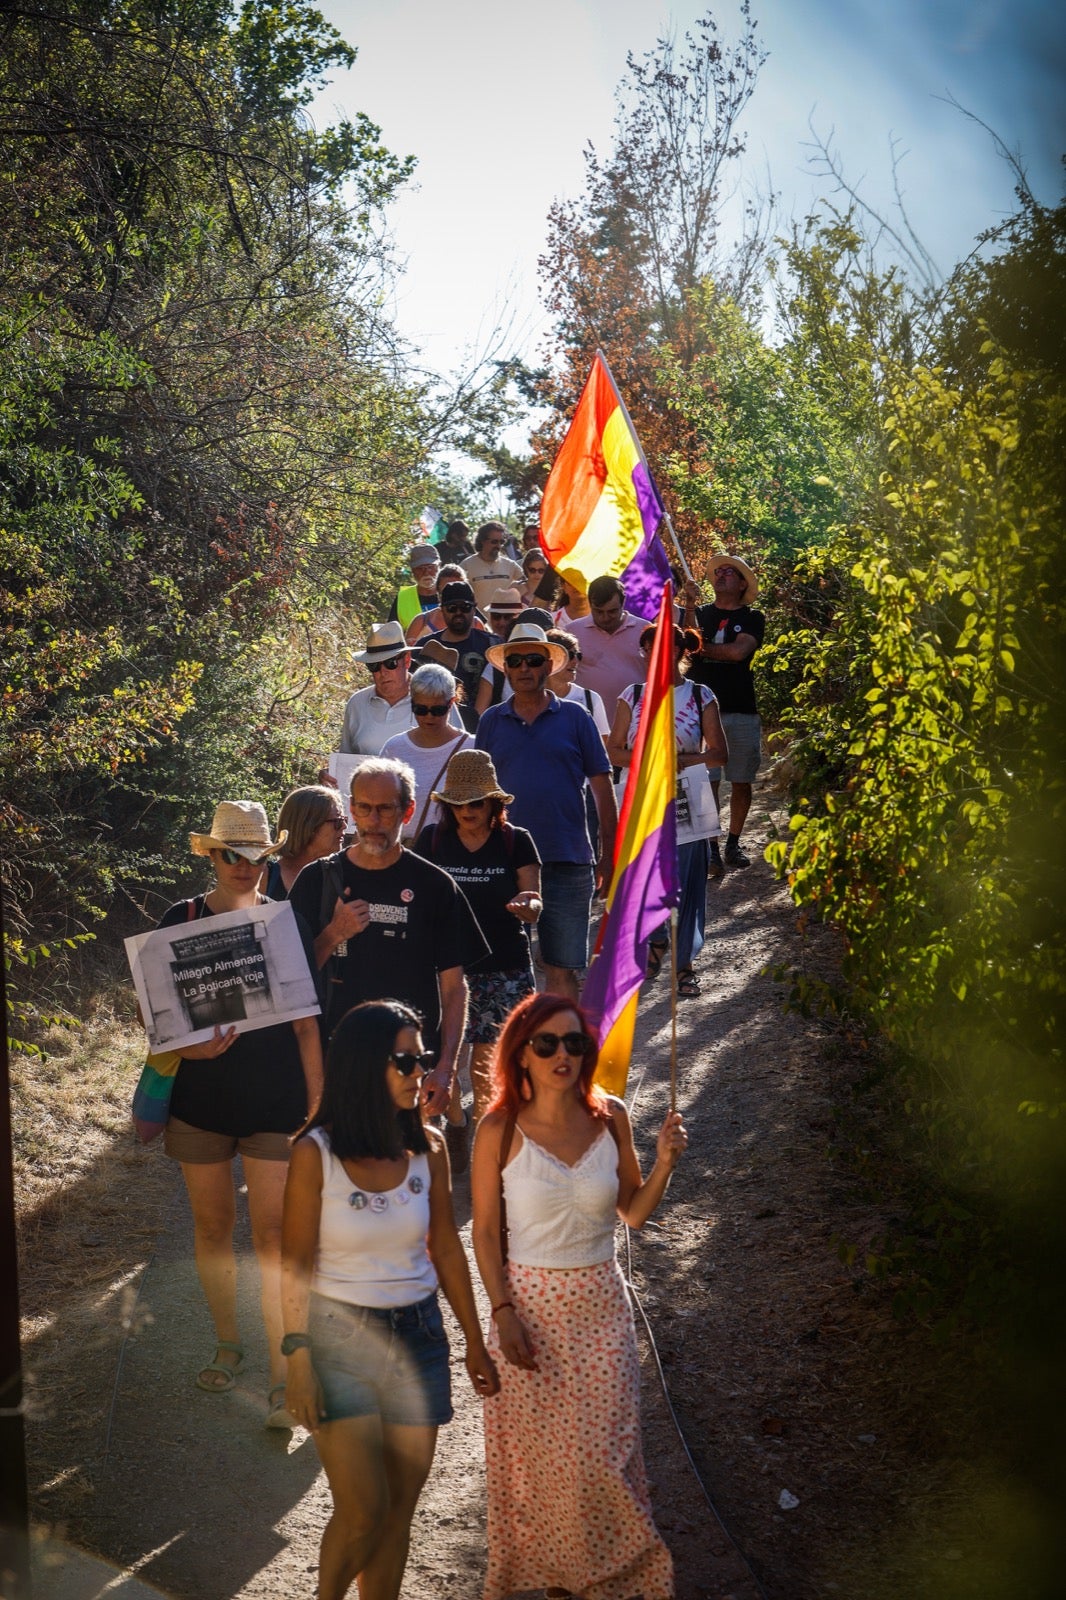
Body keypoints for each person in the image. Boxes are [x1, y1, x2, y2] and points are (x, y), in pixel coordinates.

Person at [471, 991, 686, 1600]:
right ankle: (564, 1583)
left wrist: (665, 1163)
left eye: (574, 1042)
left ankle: (628, 1577)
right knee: (543, 1469)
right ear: (522, 1055)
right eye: (547, 1043)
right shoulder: (498, 1127)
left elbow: (634, 1213)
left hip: (600, 1305)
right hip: (529, 1308)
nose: (562, 1054)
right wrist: (502, 1311)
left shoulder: (610, 1115)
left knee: (602, 1463)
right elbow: (485, 1232)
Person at [281, 1000, 499, 1600]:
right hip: (337, 1340)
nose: (419, 1073)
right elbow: (295, 1262)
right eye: (405, 1061)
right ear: (362, 1067)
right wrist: (296, 1359)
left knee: (399, 1514)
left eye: (422, 1060)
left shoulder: (429, 1147)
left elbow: (446, 1250)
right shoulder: (314, 1153)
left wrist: (475, 1343)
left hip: (420, 1342)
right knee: (362, 1512)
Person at [155, 801, 323, 1426]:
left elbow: (309, 1025)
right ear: (211, 855)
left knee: (277, 1237)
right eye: (232, 854)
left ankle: (285, 1367)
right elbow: (157, 1019)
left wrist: (316, 1108)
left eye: (256, 856)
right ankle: (228, 1340)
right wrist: (187, 1045)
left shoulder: (287, 923)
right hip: (200, 1106)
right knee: (213, 1230)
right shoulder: (180, 919)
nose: (244, 867)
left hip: (275, 1105)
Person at [287, 758, 488, 1122]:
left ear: (408, 811)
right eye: (364, 808)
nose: (374, 821)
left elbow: (454, 988)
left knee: (413, 1174)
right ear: (351, 809)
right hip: (338, 1063)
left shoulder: (435, 886)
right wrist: (333, 934)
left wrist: (445, 1069)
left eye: (384, 809)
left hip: (410, 1069)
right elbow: (289, 982)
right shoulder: (316, 880)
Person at [476, 624, 616, 1003]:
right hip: (504, 862)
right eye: (515, 660)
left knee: (562, 968)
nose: (523, 668)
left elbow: (603, 790)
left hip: (568, 858)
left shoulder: (576, 718)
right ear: (505, 668)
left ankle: (561, 1051)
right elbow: (479, 795)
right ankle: (518, 1055)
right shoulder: (490, 721)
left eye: (533, 660)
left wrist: (608, 856)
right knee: (505, 968)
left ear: (548, 666)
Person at [414, 750, 541, 1126]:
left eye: (476, 802)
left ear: (493, 804)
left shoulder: (515, 841)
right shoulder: (432, 840)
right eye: (457, 803)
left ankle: (486, 1151)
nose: (467, 810)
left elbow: (535, 901)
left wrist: (527, 904)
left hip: (505, 967)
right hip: (448, 969)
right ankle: (456, 1123)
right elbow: (417, 896)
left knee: (487, 1069)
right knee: (444, 1063)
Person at [608, 624, 728, 998]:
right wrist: (651, 760)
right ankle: (653, 942)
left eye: (668, 646)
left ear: (681, 650)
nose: (660, 652)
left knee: (688, 880)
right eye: (652, 646)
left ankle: (685, 966)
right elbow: (614, 751)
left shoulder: (699, 695)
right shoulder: (634, 694)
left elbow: (718, 753)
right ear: (644, 650)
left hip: (687, 797)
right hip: (641, 796)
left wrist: (678, 760)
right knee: (643, 876)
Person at [682, 552, 765, 871]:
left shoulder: (753, 617)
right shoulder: (699, 613)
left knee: (741, 780)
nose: (720, 575)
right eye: (717, 571)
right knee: (707, 780)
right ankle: (712, 847)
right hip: (701, 710)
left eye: (729, 572)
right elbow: (685, 643)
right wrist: (689, 606)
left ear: (742, 583)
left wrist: (700, 650)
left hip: (741, 707)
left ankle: (734, 842)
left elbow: (738, 651)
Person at [380, 661, 473, 842]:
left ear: (452, 703)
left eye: (438, 710)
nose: (429, 717)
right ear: (411, 701)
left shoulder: (471, 748)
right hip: (405, 853)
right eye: (420, 709)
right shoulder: (394, 748)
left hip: (454, 851)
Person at [568, 574, 655, 721]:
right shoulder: (572, 632)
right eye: (599, 611)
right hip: (587, 723)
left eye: (612, 611)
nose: (605, 617)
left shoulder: (645, 630)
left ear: (623, 602)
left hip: (636, 722)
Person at [424, 580, 499, 731]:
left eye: (465, 607)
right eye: (452, 608)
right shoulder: (426, 646)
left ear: (474, 608)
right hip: (435, 726)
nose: (458, 613)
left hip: (485, 728)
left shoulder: (493, 645)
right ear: (441, 610)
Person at [339, 623, 414, 758]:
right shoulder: (357, 704)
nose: (383, 672)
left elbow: (459, 754)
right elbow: (344, 762)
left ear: (407, 660)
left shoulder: (433, 698)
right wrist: (331, 775)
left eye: (390, 663)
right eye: (374, 665)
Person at [265, 786, 349, 900]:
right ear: (309, 826)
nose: (344, 826)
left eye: (344, 820)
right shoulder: (265, 877)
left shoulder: (343, 877)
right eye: (338, 821)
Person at [546, 627, 610, 738]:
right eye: (569, 656)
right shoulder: (527, 699)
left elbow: (603, 745)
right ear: (549, 660)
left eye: (578, 655)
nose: (575, 661)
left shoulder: (590, 699)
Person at [404, 562, 480, 645]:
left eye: (459, 588)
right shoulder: (421, 621)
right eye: (447, 589)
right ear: (438, 591)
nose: (453, 593)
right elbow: (405, 655)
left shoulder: (476, 624)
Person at [461, 521, 524, 614]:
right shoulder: (466, 565)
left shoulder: (510, 565)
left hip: (505, 622)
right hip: (478, 624)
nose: (498, 546)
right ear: (482, 541)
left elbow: (528, 585)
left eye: (501, 542)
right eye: (494, 542)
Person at [388, 544, 440, 634]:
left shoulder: (451, 593)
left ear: (439, 566)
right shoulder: (403, 598)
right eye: (420, 569)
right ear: (412, 571)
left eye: (430, 567)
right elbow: (391, 634)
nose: (426, 572)